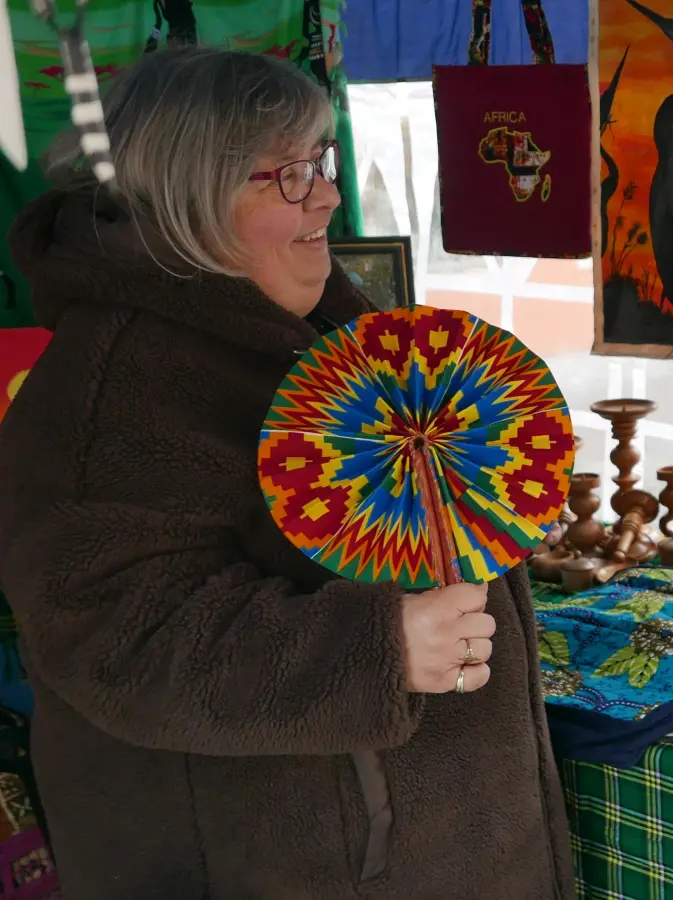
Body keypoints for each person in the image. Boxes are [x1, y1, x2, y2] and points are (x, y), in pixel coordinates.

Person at [0, 48, 573, 898]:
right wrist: (378, 649)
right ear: (192, 194)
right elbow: (120, 640)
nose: (330, 196)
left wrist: (484, 500)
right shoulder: (111, 390)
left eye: (323, 162)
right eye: (293, 175)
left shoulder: (320, 324)